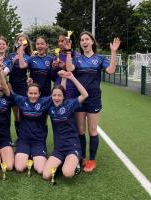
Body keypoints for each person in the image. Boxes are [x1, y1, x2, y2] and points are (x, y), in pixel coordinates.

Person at [66, 31, 120, 172]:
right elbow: (69, 68)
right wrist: (67, 51)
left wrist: (113, 52)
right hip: (80, 98)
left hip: (94, 98)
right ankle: (82, 156)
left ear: (92, 42)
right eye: (82, 40)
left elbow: (111, 70)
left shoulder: (100, 58)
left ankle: (92, 160)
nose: (84, 42)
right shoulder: (77, 58)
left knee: (92, 130)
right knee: (80, 130)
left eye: (87, 39)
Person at [43, 70, 88, 180]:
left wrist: (72, 78)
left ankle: (75, 162)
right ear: (51, 96)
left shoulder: (69, 104)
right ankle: (64, 161)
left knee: (67, 173)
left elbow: (85, 94)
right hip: (59, 149)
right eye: (54, 95)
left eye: (59, 96)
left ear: (64, 97)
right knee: (46, 175)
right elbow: (60, 89)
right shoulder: (50, 107)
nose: (57, 98)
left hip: (72, 147)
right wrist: (63, 78)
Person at [10, 83, 51, 174]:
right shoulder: (21, 100)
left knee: (40, 170)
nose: (33, 96)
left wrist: (64, 78)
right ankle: (25, 153)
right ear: (27, 93)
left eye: (35, 93)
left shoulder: (44, 102)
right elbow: (8, 91)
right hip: (24, 140)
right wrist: (0, 73)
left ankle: (33, 154)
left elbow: (59, 93)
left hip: (38, 141)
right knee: (19, 168)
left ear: (39, 94)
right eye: (30, 93)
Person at [8, 33, 32, 139]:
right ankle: (18, 137)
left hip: (23, 87)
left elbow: (25, 68)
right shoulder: (11, 55)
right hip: (12, 86)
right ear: (17, 42)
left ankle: (22, 138)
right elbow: (7, 71)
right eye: (19, 40)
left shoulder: (29, 57)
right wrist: (13, 60)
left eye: (24, 40)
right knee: (15, 115)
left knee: (22, 114)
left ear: (27, 43)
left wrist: (21, 52)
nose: (21, 42)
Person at [51, 31, 78, 99]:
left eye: (62, 41)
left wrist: (64, 68)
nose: (60, 43)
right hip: (58, 90)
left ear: (70, 41)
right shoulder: (56, 57)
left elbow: (78, 74)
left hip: (72, 90)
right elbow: (53, 77)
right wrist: (53, 69)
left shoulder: (77, 56)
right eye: (59, 41)